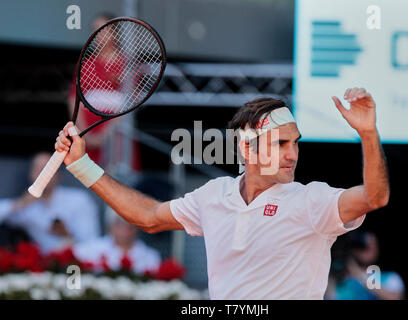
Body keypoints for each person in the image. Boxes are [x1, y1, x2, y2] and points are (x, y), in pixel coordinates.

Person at [55, 87, 390, 299]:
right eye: (281, 143)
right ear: (247, 149)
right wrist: (81, 164)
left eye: (296, 143)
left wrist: (368, 134)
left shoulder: (311, 200)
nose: (293, 154)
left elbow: (375, 197)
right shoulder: (213, 195)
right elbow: (148, 218)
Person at [67, 13, 141, 170]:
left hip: (118, 138)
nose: (99, 35)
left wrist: (107, 135)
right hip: (87, 138)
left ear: (115, 33)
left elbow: (130, 104)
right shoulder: (85, 64)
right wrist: (83, 134)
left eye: (104, 30)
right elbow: (74, 99)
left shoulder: (128, 65)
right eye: (95, 30)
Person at [0, 152, 100, 253]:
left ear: (58, 174)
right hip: (42, 265)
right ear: (30, 174)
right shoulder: (26, 208)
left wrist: (67, 235)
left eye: (47, 169)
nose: (41, 175)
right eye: (37, 169)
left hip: (74, 264)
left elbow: (91, 243)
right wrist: (20, 204)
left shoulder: (79, 199)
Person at [73, 207, 161, 274]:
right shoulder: (88, 250)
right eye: (119, 223)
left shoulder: (150, 256)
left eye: (130, 224)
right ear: (109, 226)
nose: (124, 228)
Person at [332, 231, 405, 300]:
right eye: (362, 246)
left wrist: (359, 275)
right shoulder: (340, 279)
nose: (368, 250)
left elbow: (395, 297)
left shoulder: (391, 277)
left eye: (372, 246)